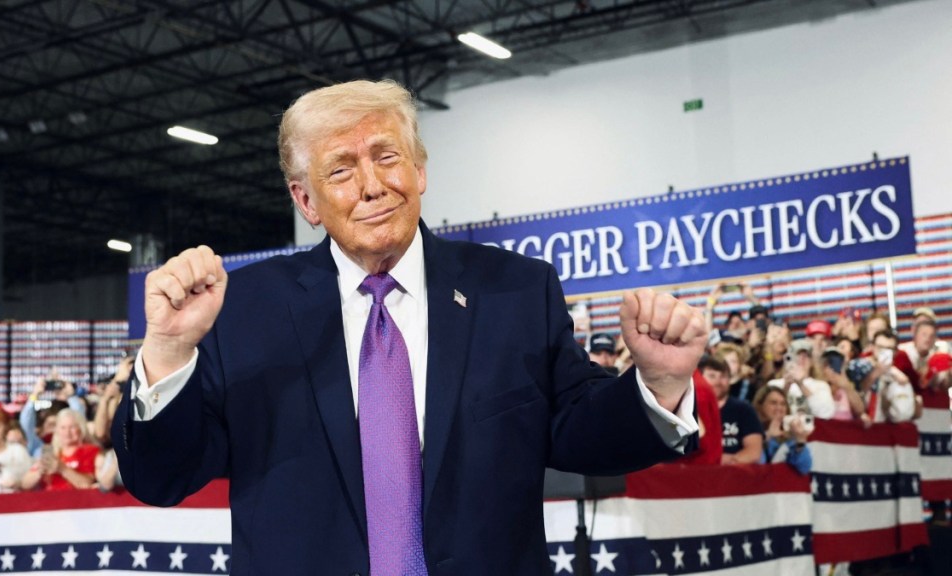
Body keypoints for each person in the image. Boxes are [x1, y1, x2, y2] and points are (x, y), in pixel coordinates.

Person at [114, 79, 708, 575]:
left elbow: (578, 432)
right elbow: (163, 477)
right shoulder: (245, 309)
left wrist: (658, 385)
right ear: (306, 202)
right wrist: (166, 352)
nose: (372, 185)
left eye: (387, 156)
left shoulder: (515, 291)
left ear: (419, 170)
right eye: (340, 170)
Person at [21, 408, 103, 491]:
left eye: (72, 427)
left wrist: (62, 469)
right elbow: (25, 485)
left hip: (78, 497)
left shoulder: (91, 451)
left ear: (81, 428)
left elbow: (87, 485)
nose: (67, 432)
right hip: (49, 497)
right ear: (57, 430)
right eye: (63, 428)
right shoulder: (51, 452)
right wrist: (40, 471)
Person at [701, 355, 762, 464]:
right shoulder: (689, 409)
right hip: (694, 472)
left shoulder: (744, 410)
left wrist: (725, 462)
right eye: (712, 376)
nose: (718, 381)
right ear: (701, 378)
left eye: (723, 376)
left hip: (733, 472)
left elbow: (754, 452)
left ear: (730, 379)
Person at [752, 386, 812, 475]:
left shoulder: (789, 434)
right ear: (760, 406)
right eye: (773, 403)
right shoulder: (749, 430)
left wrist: (800, 441)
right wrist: (767, 436)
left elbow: (804, 468)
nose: (779, 408)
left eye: (783, 404)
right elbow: (756, 464)